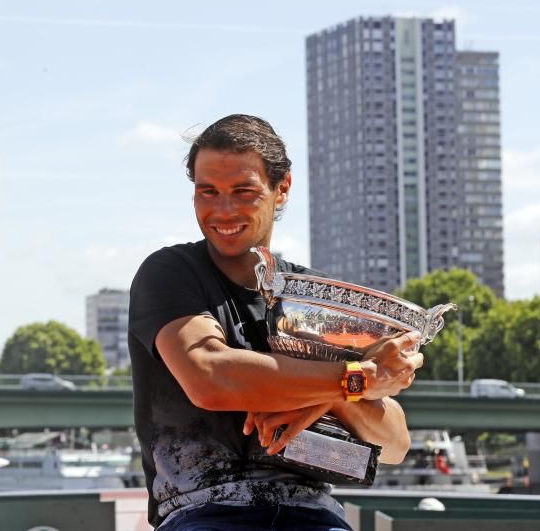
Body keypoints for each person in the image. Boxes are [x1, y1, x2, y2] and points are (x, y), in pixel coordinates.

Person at [128, 114, 422, 530]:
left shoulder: (314, 294)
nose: (222, 209)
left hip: (314, 514)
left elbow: (394, 444)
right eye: (207, 191)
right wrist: (354, 380)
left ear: (281, 189)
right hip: (204, 513)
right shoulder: (170, 272)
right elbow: (210, 376)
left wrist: (342, 389)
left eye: (243, 191)